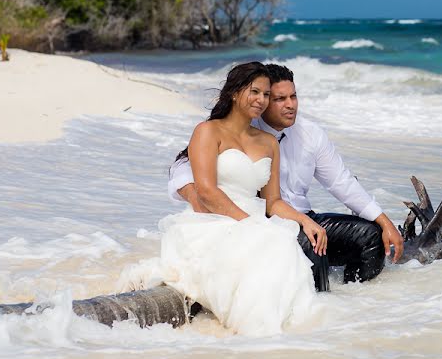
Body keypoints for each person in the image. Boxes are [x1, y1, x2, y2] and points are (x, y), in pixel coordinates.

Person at [169, 63, 404, 292]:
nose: (290, 105)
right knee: (313, 247)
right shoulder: (236, 127)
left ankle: (352, 301)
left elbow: (341, 182)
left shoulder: (305, 134)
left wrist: (384, 221)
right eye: (279, 99)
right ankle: (315, 303)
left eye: (293, 96)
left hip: (299, 216)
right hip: (262, 220)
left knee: (370, 237)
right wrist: (195, 195)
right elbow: (184, 168)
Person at [130, 61, 324, 336]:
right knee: (272, 243)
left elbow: (273, 202)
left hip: (254, 221)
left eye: (266, 94)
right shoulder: (208, 131)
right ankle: (257, 333)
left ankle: (289, 335)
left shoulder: (268, 142)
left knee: (282, 242)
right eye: (254, 91)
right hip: (213, 221)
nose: (261, 100)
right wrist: (249, 224)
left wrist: (305, 221)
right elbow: (207, 191)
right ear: (235, 92)